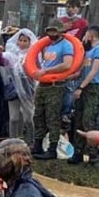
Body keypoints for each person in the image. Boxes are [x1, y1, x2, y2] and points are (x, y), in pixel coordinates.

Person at [32, 19, 75, 160]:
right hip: (43, 85)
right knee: (38, 114)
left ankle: (52, 148)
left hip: (56, 85)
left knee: (52, 116)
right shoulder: (49, 46)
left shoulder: (66, 45)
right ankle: (37, 144)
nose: (51, 33)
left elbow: (67, 65)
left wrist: (46, 72)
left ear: (60, 31)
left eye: (54, 30)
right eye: (49, 30)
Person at [69, 25, 99, 164]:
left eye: (86, 34)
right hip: (82, 86)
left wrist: (81, 87)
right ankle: (77, 152)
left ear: (91, 35)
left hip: (92, 87)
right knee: (78, 119)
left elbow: (94, 71)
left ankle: (93, 154)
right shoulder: (87, 51)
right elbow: (81, 71)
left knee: (88, 120)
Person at [0, 28, 37, 143]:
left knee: (28, 118)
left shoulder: (33, 56)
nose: (22, 43)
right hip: (13, 90)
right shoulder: (12, 55)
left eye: (25, 41)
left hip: (27, 90)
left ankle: (31, 141)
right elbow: (0, 62)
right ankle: (13, 141)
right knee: (13, 118)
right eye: (21, 40)